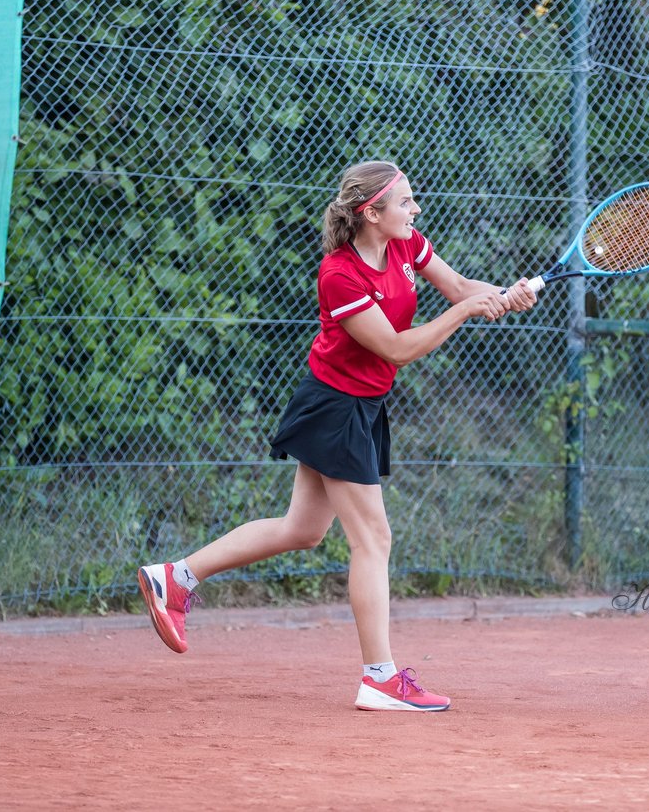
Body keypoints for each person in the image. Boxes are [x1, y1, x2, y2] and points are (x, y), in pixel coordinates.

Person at [138, 160, 539, 711]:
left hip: (361, 404)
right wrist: (470, 310)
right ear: (370, 213)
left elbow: (459, 286)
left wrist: (503, 293)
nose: (415, 210)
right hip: (336, 408)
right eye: (405, 203)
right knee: (373, 539)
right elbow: (398, 348)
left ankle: (174, 577)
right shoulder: (339, 274)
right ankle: (379, 677)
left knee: (301, 529)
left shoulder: (405, 245)